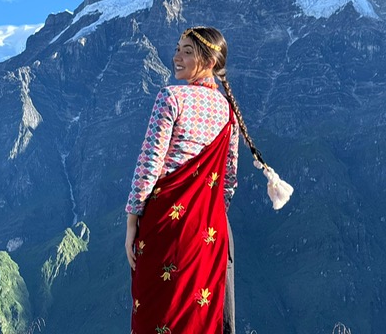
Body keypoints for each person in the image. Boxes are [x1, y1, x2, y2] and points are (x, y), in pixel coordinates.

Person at [125, 26, 293, 334]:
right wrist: (206, 218)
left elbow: (149, 166)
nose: (176, 57)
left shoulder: (170, 98)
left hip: (165, 227)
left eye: (187, 51)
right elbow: (228, 180)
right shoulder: (227, 111)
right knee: (199, 317)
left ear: (210, 61)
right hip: (210, 231)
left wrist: (132, 222)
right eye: (177, 48)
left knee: (157, 313)